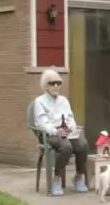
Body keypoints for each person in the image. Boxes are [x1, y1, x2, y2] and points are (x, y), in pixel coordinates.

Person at [34, 68, 89, 196]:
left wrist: (72, 128)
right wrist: (55, 131)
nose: (56, 85)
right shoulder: (39, 102)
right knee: (67, 147)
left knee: (83, 145)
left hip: (66, 132)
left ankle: (78, 177)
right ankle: (56, 179)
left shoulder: (64, 100)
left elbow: (70, 118)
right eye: (52, 83)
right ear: (45, 85)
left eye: (59, 83)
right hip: (50, 134)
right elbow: (42, 122)